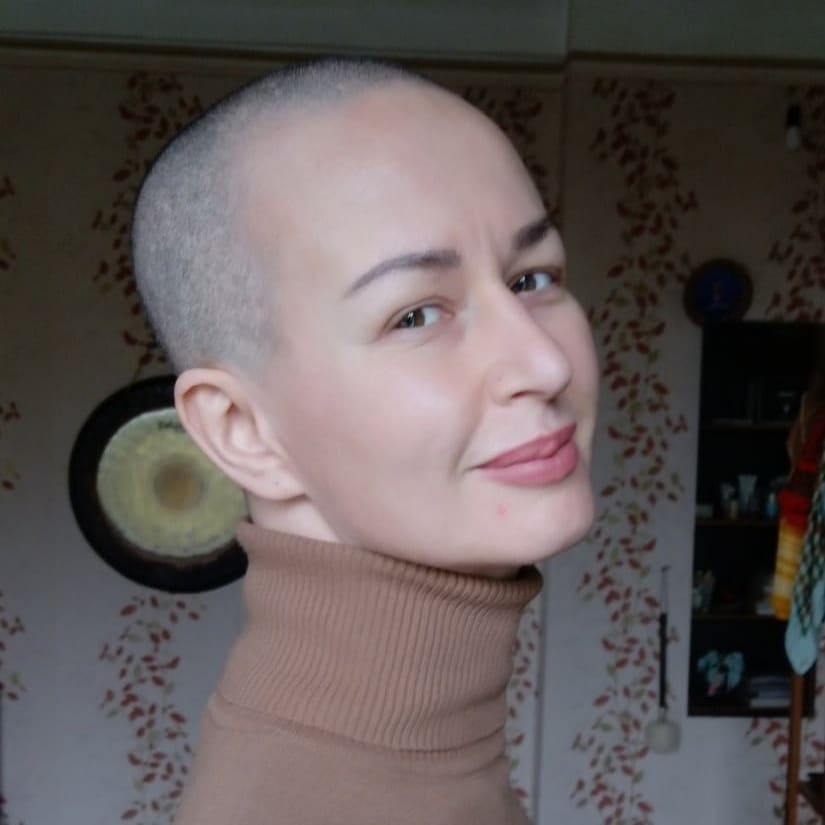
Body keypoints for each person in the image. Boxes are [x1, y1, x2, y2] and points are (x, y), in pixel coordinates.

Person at [132, 56, 598, 825]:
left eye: (532, 278)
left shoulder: (415, 763)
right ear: (242, 431)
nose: (544, 363)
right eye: (415, 314)